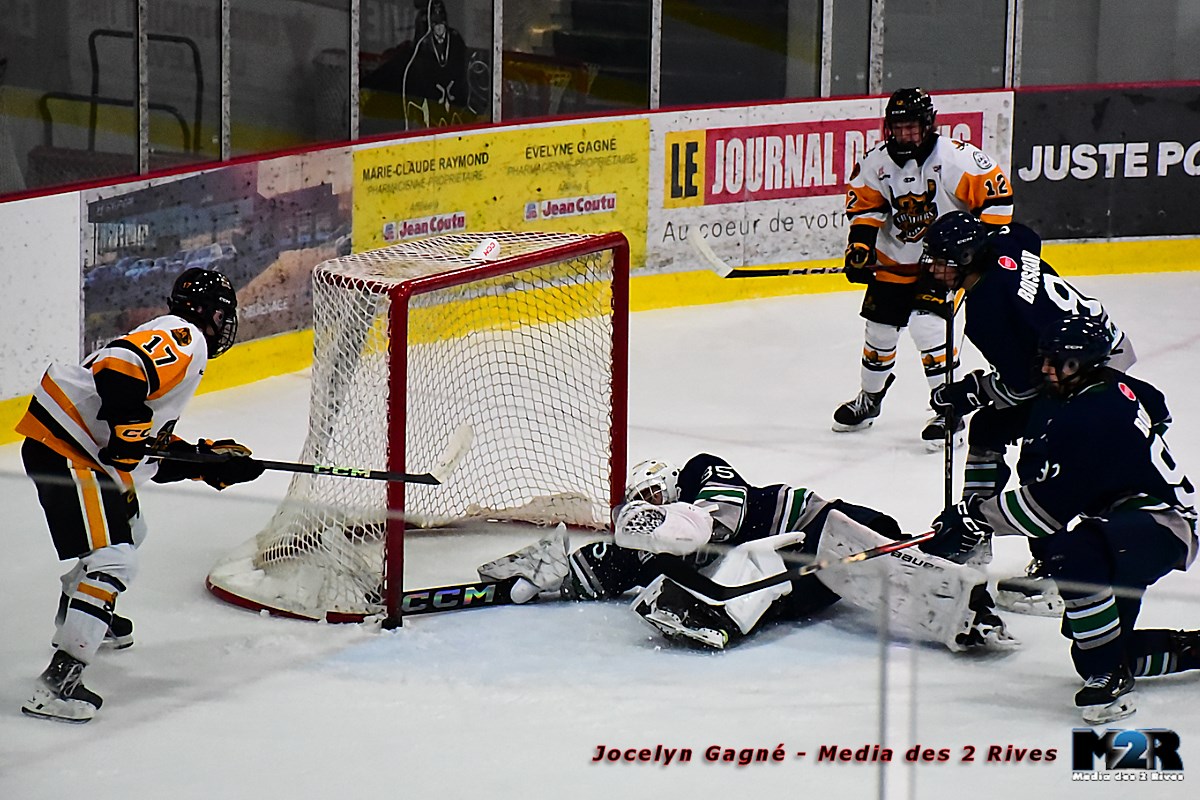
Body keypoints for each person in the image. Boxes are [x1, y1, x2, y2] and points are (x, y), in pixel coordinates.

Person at [15, 268, 265, 723]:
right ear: (207, 313)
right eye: (224, 315)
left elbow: (138, 451)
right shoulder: (183, 334)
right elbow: (120, 367)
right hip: (70, 447)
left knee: (132, 528)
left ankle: (87, 617)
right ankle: (58, 684)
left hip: (81, 448)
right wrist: (129, 428)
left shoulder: (181, 353)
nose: (227, 325)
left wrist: (206, 463)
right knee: (114, 558)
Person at [923, 315, 1197, 724]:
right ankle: (1166, 655)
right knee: (1092, 651)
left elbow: (1047, 509)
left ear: (1085, 365)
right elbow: (1156, 405)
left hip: (1160, 522)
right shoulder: (1089, 390)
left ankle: (1109, 676)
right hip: (1123, 522)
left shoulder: (1093, 413)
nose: (1048, 369)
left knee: (1075, 552)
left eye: (1060, 363)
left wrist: (974, 517)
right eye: (1047, 360)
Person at [477, 454, 1014, 653]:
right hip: (793, 580)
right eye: (639, 508)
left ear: (666, 486)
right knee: (747, 585)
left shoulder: (702, 473)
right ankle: (718, 611)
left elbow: (712, 521)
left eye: (650, 502)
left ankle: (968, 593)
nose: (645, 514)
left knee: (875, 541)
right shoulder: (652, 549)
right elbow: (604, 568)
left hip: (817, 526)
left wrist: (652, 526)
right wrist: (547, 573)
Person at [921, 211, 1135, 615]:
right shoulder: (1004, 242)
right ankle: (974, 529)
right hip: (1096, 342)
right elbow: (1027, 235)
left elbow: (1023, 386)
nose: (933, 268)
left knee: (1040, 457)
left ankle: (1058, 569)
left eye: (942, 260)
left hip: (1087, 370)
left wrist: (971, 392)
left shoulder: (986, 312)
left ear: (968, 259)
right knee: (988, 428)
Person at [833, 87, 1014, 449]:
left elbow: (998, 200)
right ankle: (870, 401)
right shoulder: (875, 163)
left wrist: (976, 253)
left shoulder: (957, 159)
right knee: (880, 332)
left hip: (943, 266)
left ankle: (949, 411)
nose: (905, 135)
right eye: (898, 128)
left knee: (928, 327)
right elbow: (866, 207)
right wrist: (860, 247)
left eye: (913, 127)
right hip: (895, 262)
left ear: (928, 125)